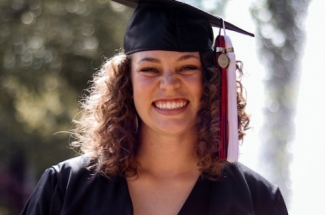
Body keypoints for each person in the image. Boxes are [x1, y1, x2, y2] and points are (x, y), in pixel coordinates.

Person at [21, 0, 288, 214]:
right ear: (127, 83)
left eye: (187, 67)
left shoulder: (257, 201)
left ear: (211, 79)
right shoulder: (66, 188)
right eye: (150, 69)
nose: (169, 84)